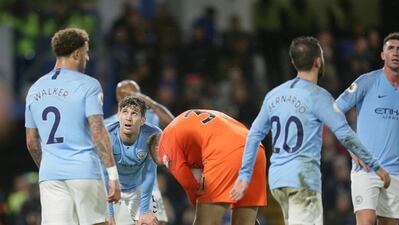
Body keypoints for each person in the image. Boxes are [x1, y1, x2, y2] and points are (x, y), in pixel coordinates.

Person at [230, 36, 391, 225]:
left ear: (293, 62)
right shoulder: (318, 96)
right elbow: (345, 134)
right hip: (302, 179)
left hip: (277, 180)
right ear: (318, 61)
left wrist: (244, 176)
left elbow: (254, 135)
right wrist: (377, 166)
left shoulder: (274, 95)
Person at [25, 28, 121, 225]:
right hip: (84, 171)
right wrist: (113, 175)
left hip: (50, 175)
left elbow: (32, 143)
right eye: (86, 52)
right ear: (77, 54)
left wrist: (51, 167)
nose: (87, 57)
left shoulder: (34, 89)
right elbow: (98, 131)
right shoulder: (88, 85)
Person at [148, 110, 266, 225]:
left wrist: (199, 208)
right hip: (255, 149)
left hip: (224, 152)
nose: (168, 165)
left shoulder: (164, 144)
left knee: (203, 222)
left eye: (163, 163)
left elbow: (188, 183)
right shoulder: (181, 123)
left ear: (157, 148)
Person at [335, 32, 399, 225]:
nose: (396, 53)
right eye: (391, 48)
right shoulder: (367, 81)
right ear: (382, 55)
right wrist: (350, 145)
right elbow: (334, 110)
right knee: (367, 221)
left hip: (396, 172)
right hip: (366, 170)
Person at [105, 80, 173, 225]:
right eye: (128, 93)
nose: (133, 96)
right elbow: (104, 172)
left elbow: (172, 124)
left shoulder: (150, 118)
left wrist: (150, 103)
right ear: (119, 97)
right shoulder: (107, 128)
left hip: (148, 186)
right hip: (116, 188)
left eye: (135, 92)